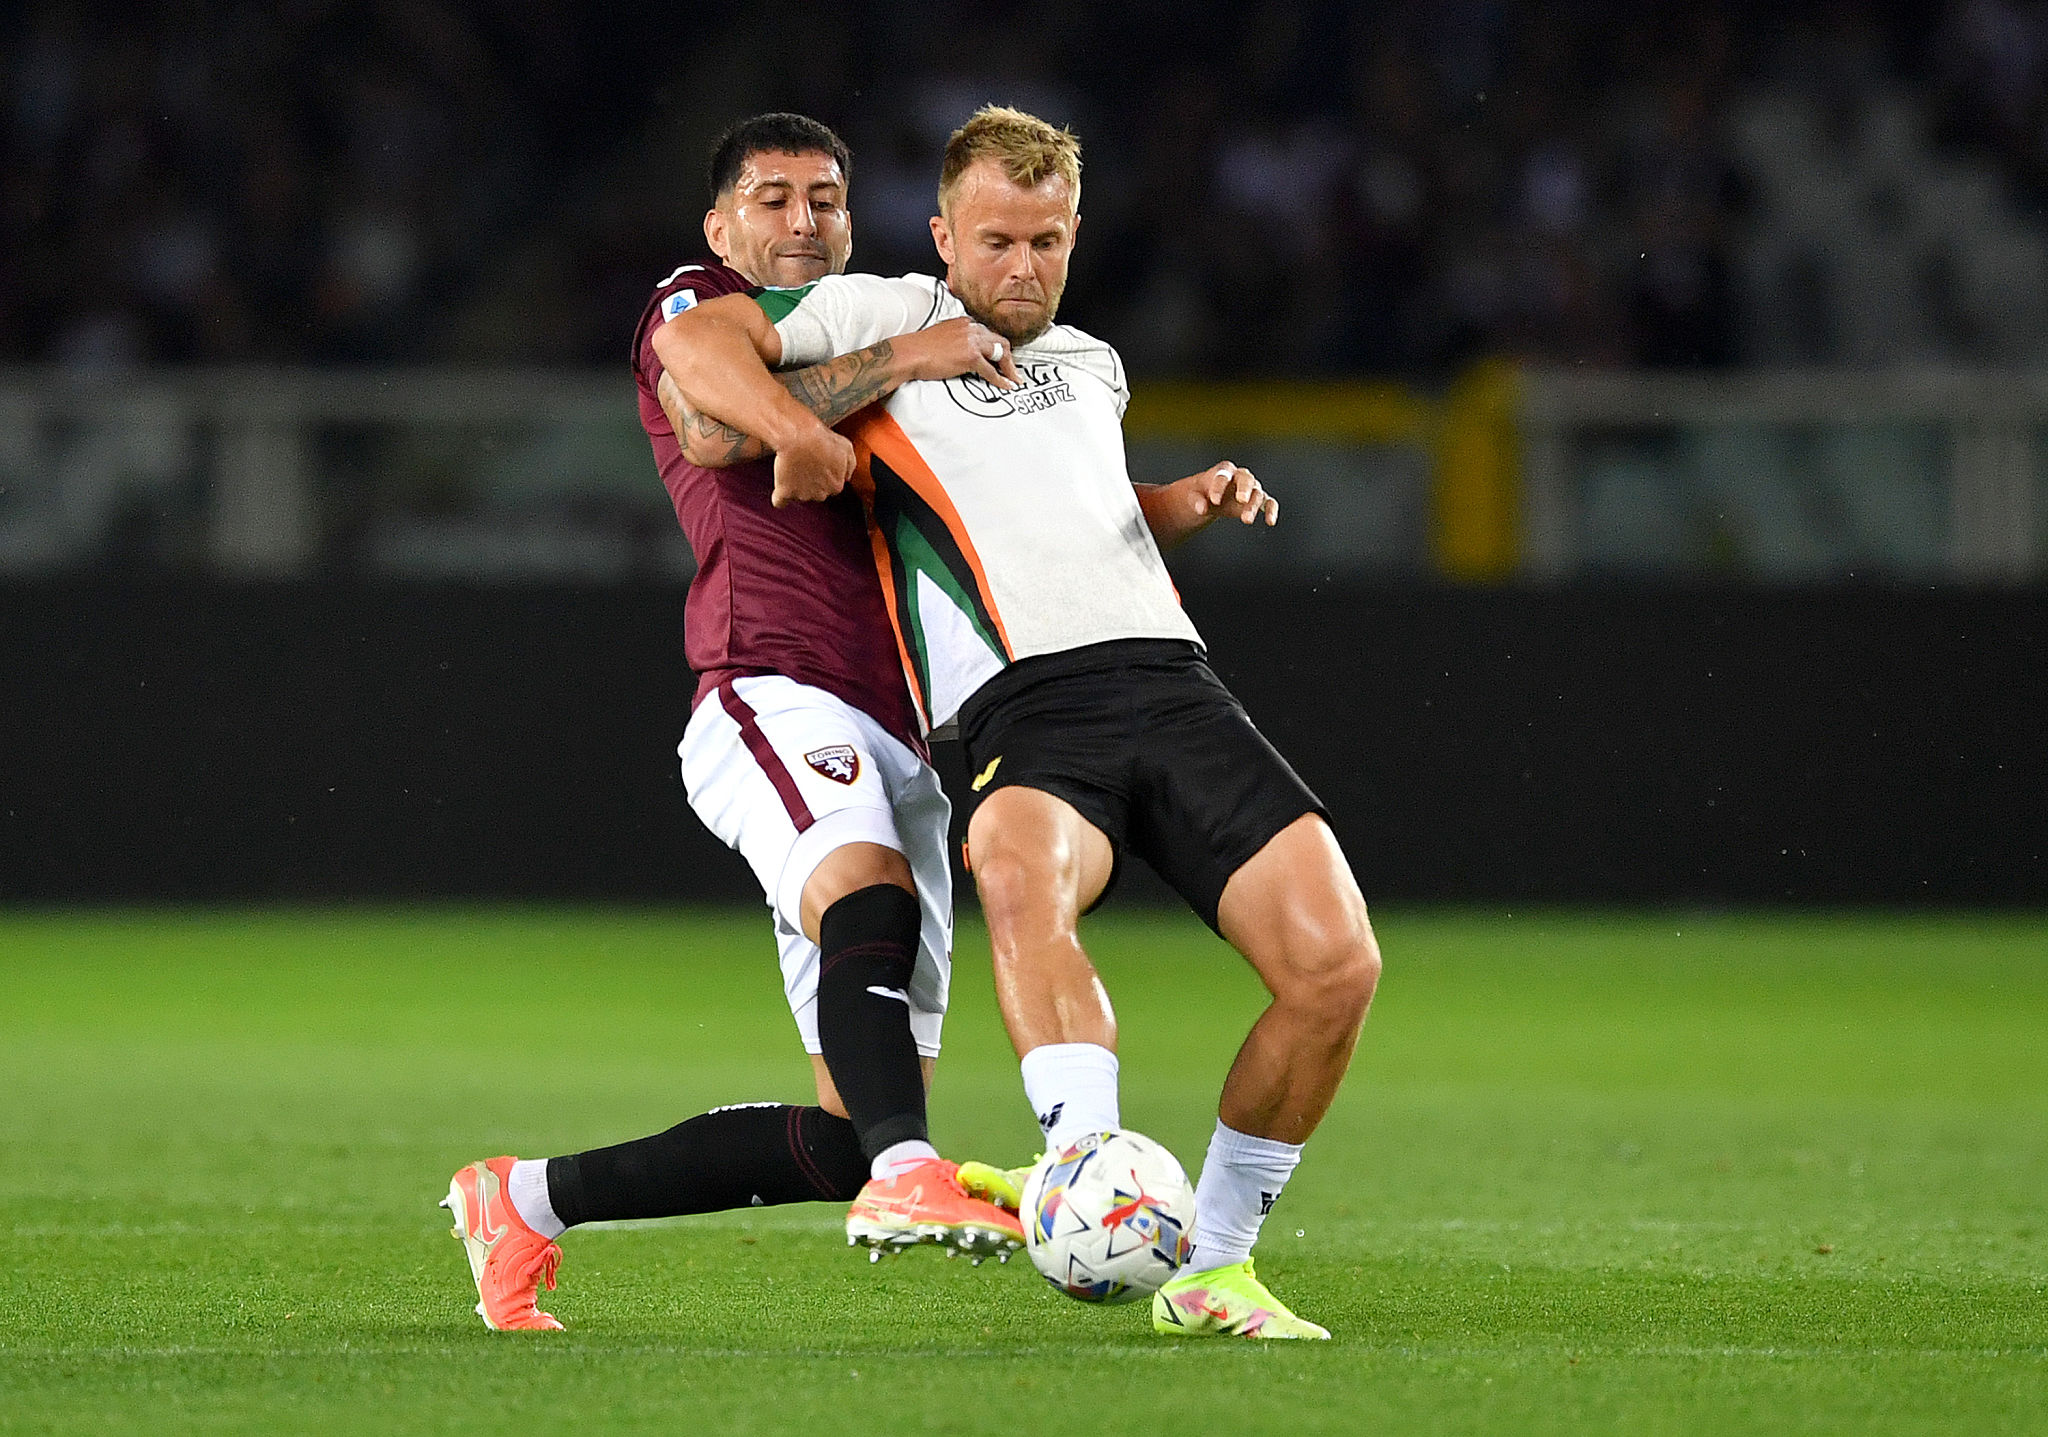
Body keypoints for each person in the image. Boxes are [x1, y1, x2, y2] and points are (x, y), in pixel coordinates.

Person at [658, 106, 1382, 1341]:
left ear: (1074, 234)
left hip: (1174, 683)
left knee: (1335, 967)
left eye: (1045, 241)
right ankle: (1083, 1163)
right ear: (942, 234)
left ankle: (1213, 1264)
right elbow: (699, 354)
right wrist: (802, 423)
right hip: (1020, 705)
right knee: (1018, 878)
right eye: (993, 240)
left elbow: (1056, 510)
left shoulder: (1092, 364)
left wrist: (1175, 500)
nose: (1020, 266)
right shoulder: (882, 312)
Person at [441, 113, 1032, 1333]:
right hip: (770, 688)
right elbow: (710, 414)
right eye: (771, 198)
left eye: (823, 197)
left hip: (912, 734)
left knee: (848, 1126)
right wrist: (851, 399)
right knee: (863, 899)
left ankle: (524, 1201)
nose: (801, 220)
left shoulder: (882, 315)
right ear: (721, 225)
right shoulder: (698, 301)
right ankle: (917, 1183)